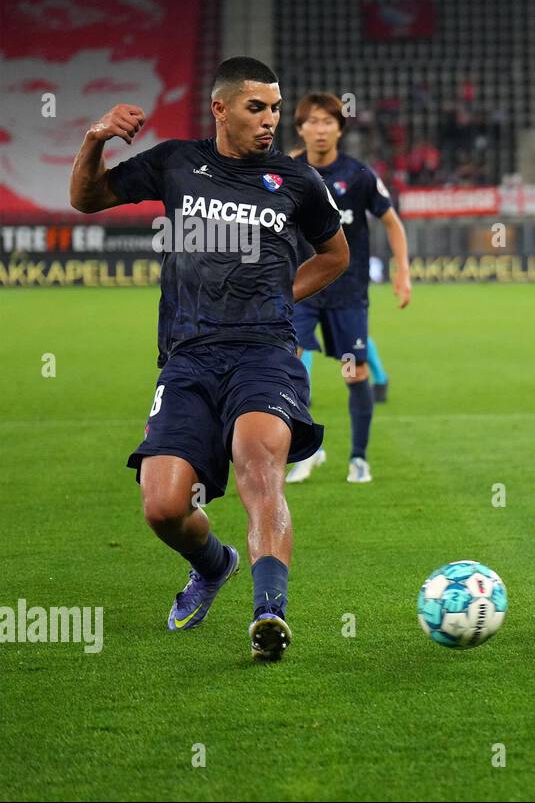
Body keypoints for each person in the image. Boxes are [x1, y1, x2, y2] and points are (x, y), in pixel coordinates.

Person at [69, 57, 348, 661]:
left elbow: (334, 256)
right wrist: (94, 139)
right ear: (220, 109)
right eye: (257, 107)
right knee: (165, 507)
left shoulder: (296, 182)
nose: (271, 120)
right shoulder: (175, 163)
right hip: (188, 358)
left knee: (259, 466)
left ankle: (269, 612)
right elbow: (88, 198)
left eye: (276, 108)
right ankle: (215, 563)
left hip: (265, 354)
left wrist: (280, 295)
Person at [285, 92, 411, 484]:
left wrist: (402, 271)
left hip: (347, 292)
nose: (320, 130)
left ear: (340, 129)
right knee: (291, 368)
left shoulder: (358, 176)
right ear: (301, 128)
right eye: (313, 122)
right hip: (302, 289)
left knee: (353, 374)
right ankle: (309, 452)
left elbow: (392, 222)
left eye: (328, 122)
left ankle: (358, 458)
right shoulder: (287, 172)